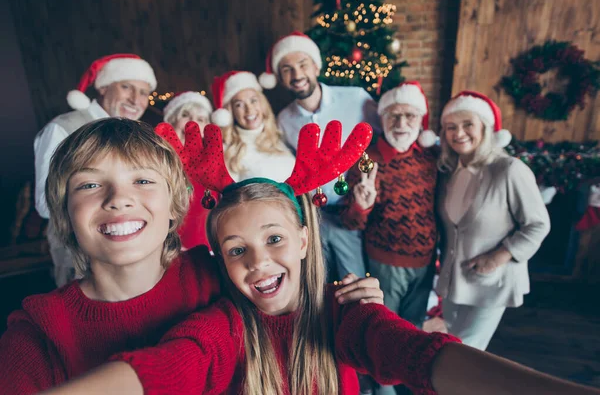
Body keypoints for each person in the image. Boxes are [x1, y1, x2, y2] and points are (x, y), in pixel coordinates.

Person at [42, 123, 600, 395]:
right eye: (237, 251)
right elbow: (166, 369)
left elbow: (421, 355)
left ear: (306, 240)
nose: (259, 262)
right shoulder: (221, 325)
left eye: (275, 240)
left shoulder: (346, 313)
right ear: (216, 258)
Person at [2, 119, 379, 395]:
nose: (118, 198)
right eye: (89, 184)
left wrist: (346, 302)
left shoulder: (222, 277)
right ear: (65, 211)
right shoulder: (38, 330)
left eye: (143, 180)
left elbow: (293, 315)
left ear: (174, 205)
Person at [341, 81, 440, 395]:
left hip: (425, 264)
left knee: (412, 336)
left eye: (409, 116)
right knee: (384, 334)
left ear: (421, 121)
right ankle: (380, 390)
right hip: (385, 262)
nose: (401, 124)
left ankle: (407, 388)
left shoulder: (430, 158)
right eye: (394, 116)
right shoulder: (366, 160)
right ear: (382, 119)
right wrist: (363, 203)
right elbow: (351, 222)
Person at [260, 31, 381, 281]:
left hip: (352, 211)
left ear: (316, 66)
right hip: (312, 214)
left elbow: (385, 136)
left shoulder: (356, 99)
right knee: (317, 280)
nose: (297, 75)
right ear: (280, 77)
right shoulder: (284, 120)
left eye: (302, 64)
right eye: (287, 69)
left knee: (354, 278)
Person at [437, 91, 551, 350]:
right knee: (454, 346)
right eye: (451, 127)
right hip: (454, 282)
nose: (459, 133)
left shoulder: (509, 169)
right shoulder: (447, 172)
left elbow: (538, 224)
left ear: (485, 128)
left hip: (492, 282)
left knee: (465, 354)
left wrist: (499, 256)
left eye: (468, 125)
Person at [34, 53, 157, 286]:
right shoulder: (62, 128)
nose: (135, 99)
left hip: (134, 260)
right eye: (126, 87)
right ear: (103, 87)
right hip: (81, 262)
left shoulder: (138, 134)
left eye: (143, 92)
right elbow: (44, 202)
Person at [210, 70, 295, 182]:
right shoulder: (228, 151)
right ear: (231, 112)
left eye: (253, 101)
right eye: (239, 105)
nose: (249, 110)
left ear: (262, 103)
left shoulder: (279, 135)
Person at [161, 91, 214, 249]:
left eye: (201, 119)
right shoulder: (158, 160)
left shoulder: (214, 161)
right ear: (171, 121)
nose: (193, 123)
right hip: (169, 250)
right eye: (185, 115)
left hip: (209, 252)